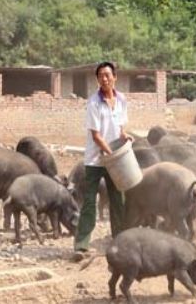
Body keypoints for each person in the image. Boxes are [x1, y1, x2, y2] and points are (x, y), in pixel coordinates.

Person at [72, 61, 132, 262]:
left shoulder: (122, 100)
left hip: (114, 158)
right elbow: (96, 136)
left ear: (115, 77)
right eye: (100, 76)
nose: (104, 79)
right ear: (97, 80)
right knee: (90, 202)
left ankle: (120, 241)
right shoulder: (93, 103)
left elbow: (121, 128)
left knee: (118, 199)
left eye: (107, 75)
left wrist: (126, 137)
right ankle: (81, 245)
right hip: (95, 160)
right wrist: (110, 155)